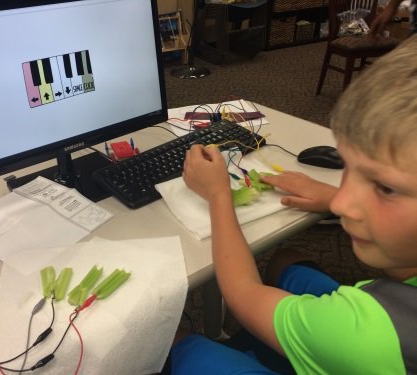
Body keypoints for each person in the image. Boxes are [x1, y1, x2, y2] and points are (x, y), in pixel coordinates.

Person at [171, 33, 417, 374]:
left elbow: (242, 295)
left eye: (386, 188)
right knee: (286, 262)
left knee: (181, 345)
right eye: (350, 170)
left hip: (367, 340)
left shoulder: (366, 335)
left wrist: (218, 196)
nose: (343, 203)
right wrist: (329, 197)